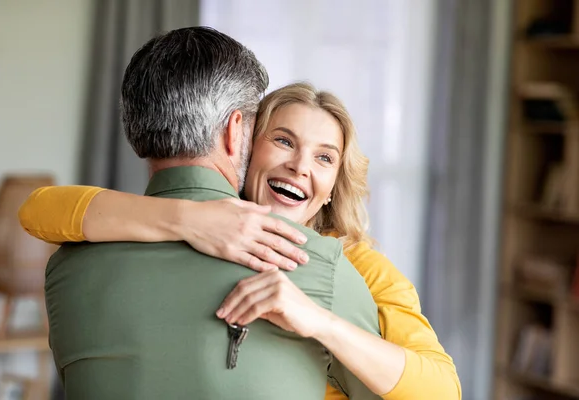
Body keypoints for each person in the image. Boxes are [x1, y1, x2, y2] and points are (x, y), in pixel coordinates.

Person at [22, 80, 462, 399]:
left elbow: (442, 390)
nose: (300, 167)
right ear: (244, 145)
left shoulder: (361, 269)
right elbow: (40, 211)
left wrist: (317, 320)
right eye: (284, 141)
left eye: (324, 157)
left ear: (332, 184)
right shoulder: (195, 232)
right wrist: (188, 220)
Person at [37, 27, 383, 400]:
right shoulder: (316, 264)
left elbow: (38, 209)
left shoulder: (65, 269)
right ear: (236, 131)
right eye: (275, 137)